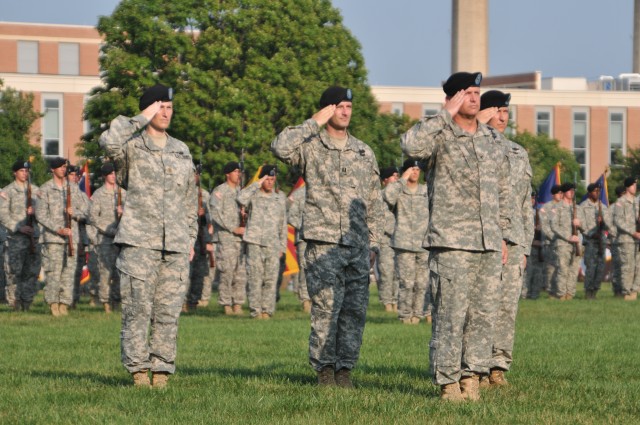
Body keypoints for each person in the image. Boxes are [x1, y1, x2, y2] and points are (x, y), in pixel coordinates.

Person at [401, 72, 511, 402]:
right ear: (452, 98)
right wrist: (445, 113)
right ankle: (448, 381)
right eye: (467, 93)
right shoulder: (440, 134)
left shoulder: (490, 140)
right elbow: (411, 145)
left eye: (477, 93)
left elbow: (502, 190)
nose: (475, 98)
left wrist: (503, 235)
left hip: (487, 242)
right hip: (451, 242)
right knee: (450, 315)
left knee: (482, 316)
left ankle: (472, 377)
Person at [272, 86, 384, 388]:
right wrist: (314, 121)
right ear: (326, 111)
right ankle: (324, 370)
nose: (345, 112)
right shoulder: (310, 147)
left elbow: (374, 200)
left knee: (354, 311)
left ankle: (345, 369)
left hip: (358, 244)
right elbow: (280, 147)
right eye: (339, 106)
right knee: (325, 310)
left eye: (348, 106)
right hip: (322, 243)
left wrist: (374, 242)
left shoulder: (363, 151)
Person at [99, 84, 198, 388]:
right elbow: (108, 140)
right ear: (147, 110)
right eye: (159, 107)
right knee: (137, 309)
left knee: (168, 311)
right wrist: (140, 118)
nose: (165, 113)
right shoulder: (131, 147)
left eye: (169, 107)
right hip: (140, 242)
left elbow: (189, 199)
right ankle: (139, 370)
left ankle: (162, 371)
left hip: (177, 244)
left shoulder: (182, 149)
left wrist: (190, 238)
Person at [478, 90, 534, 386]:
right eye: (497, 111)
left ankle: (498, 365)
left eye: (505, 112)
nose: (502, 117)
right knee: (482, 305)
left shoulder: (517, 152)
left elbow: (526, 203)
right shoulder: (475, 146)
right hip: (483, 239)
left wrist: (524, 244)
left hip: (513, 240)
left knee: (506, 305)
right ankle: (476, 366)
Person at [36, 157, 89, 317]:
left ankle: (64, 303)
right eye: (59, 167)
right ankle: (53, 303)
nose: (63, 169)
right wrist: (58, 229)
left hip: (72, 238)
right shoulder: (45, 189)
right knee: (54, 272)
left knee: (69, 272)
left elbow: (88, 210)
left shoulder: (73, 188)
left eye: (64, 167)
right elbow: (41, 215)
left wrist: (76, 214)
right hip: (53, 239)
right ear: (53, 169)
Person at [383, 159, 430, 324]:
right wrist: (402, 179)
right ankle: (405, 316)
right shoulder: (398, 191)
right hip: (403, 244)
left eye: (418, 170)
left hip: (424, 244)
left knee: (422, 284)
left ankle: (417, 315)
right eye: (412, 169)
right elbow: (386, 196)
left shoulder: (426, 191)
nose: (415, 173)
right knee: (406, 283)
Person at [237, 165, 287, 319]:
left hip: (273, 243)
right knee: (254, 278)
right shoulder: (253, 195)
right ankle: (255, 311)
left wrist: (283, 247)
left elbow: (283, 224)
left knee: (271, 279)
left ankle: (267, 311)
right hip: (254, 241)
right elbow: (240, 198)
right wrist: (257, 183)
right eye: (267, 179)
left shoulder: (280, 198)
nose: (270, 182)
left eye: (272, 179)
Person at [0, 160, 42, 311]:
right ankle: (14, 303)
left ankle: (27, 302)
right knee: (14, 273)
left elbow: (44, 214)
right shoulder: (8, 191)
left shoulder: (36, 191)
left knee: (31, 272)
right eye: (21, 171)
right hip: (15, 240)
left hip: (33, 238)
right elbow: (3, 215)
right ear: (15, 173)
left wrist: (35, 212)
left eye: (26, 171)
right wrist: (18, 227)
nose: (25, 173)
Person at [210, 161, 247, 315]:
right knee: (227, 272)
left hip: (240, 239)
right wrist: (233, 228)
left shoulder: (241, 192)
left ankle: (237, 303)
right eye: (236, 171)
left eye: (239, 172)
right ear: (228, 173)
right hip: (226, 237)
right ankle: (226, 304)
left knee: (240, 273)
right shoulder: (220, 191)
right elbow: (216, 214)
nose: (238, 174)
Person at [88, 162, 126, 314]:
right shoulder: (98, 194)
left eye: (115, 173)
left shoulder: (124, 193)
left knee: (120, 272)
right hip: (105, 240)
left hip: (121, 240)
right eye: (110, 174)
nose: (113, 176)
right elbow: (93, 217)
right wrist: (109, 229)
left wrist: (123, 213)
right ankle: (105, 302)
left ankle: (117, 300)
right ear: (105, 176)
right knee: (105, 272)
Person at [185, 167, 214, 311]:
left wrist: (203, 215)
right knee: (185, 273)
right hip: (185, 236)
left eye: (197, 174)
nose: (196, 176)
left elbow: (210, 220)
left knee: (199, 272)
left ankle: (193, 302)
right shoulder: (182, 193)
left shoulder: (204, 194)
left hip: (200, 238)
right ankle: (183, 301)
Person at [550, 182, 583, 300]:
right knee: (563, 269)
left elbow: (585, 227)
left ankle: (570, 294)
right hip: (563, 243)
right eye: (570, 190)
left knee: (573, 271)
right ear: (564, 192)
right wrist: (567, 237)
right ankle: (561, 294)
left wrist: (579, 223)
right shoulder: (557, 208)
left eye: (573, 190)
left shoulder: (577, 208)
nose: (572, 192)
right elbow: (554, 226)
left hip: (576, 244)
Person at [612, 177, 640, 301]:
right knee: (627, 267)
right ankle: (627, 293)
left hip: (637, 240)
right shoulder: (621, 202)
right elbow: (618, 221)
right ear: (628, 187)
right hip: (626, 239)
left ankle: (634, 291)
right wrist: (632, 232)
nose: (635, 187)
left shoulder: (636, 202)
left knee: (637, 267)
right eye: (633, 185)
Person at [579, 182, 609, 299]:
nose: (597, 193)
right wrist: (591, 233)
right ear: (589, 193)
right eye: (594, 191)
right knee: (591, 267)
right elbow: (582, 225)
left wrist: (603, 222)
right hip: (590, 241)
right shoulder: (583, 206)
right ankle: (588, 291)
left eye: (598, 191)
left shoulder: (603, 207)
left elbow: (608, 226)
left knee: (600, 267)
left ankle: (595, 290)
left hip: (601, 240)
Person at [378, 166, 400, 312]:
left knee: (398, 274)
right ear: (385, 180)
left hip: (400, 238)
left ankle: (397, 302)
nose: (396, 179)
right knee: (386, 272)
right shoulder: (379, 196)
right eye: (393, 176)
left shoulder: (401, 195)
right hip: (385, 237)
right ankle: (387, 303)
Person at [287, 183, 311, 312]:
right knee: (305, 269)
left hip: (322, 239)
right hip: (304, 238)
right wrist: (305, 227)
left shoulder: (325, 190)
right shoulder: (299, 194)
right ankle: (305, 300)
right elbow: (291, 216)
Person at [541, 185, 564, 297]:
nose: (560, 195)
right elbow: (544, 226)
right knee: (551, 268)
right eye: (558, 193)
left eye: (561, 193)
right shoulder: (546, 207)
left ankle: (559, 290)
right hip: (550, 243)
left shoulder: (564, 207)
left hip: (562, 243)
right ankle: (550, 291)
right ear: (553, 195)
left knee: (561, 267)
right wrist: (554, 237)